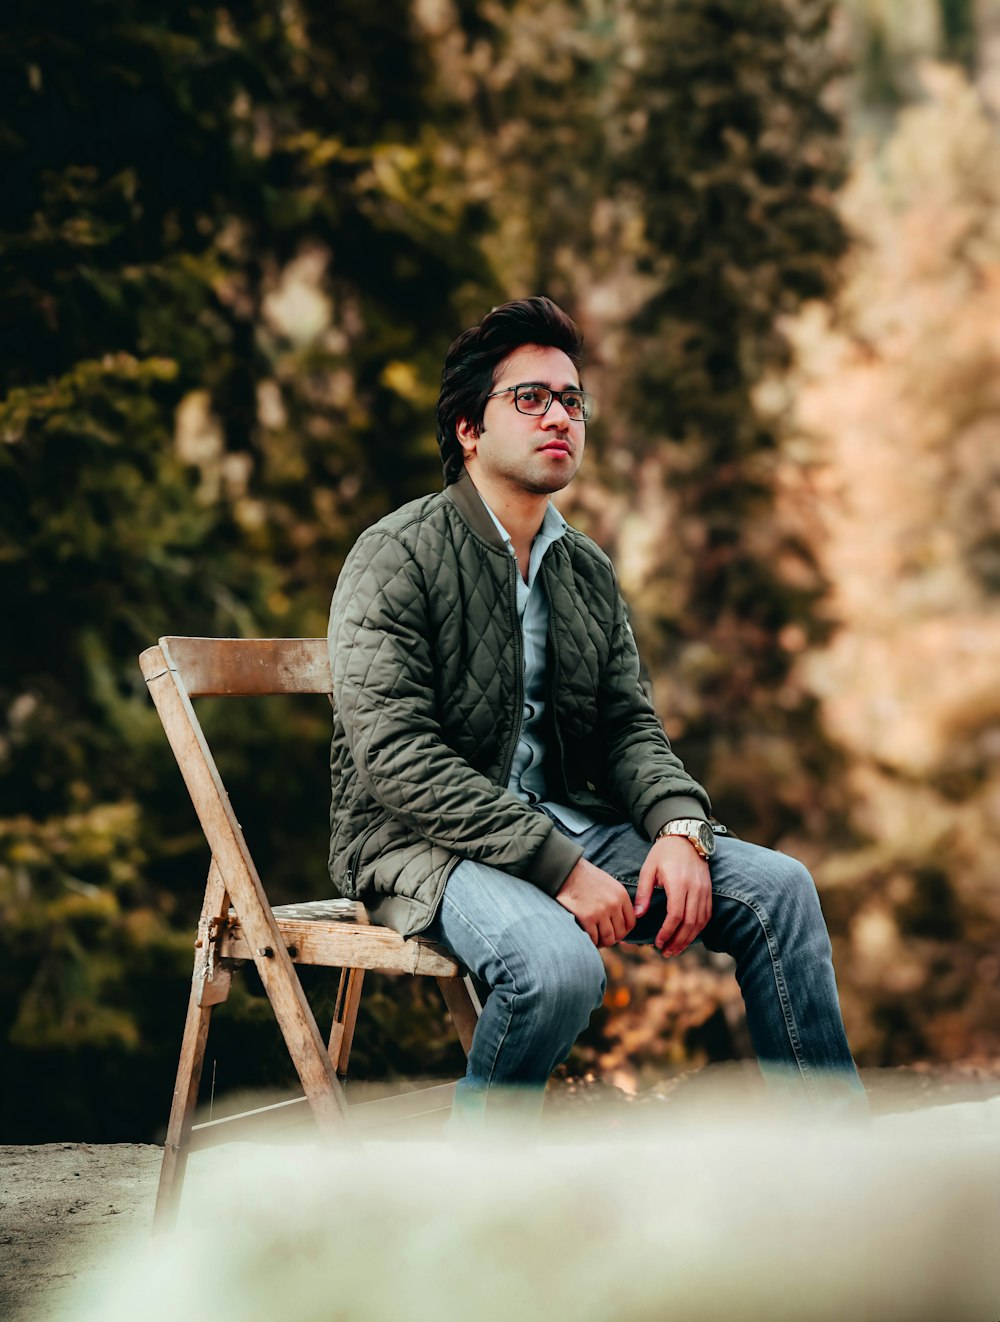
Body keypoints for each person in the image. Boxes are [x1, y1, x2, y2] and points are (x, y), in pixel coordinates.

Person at [328, 295, 863, 1122]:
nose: (559, 417)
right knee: (557, 968)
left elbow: (626, 728)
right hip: (421, 841)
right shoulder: (395, 555)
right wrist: (560, 869)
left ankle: (838, 1170)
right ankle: (473, 1197)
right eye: (530, 398)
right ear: (469, 429)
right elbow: (398, 757)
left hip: (567, 827)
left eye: (571, 400)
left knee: (778, 890)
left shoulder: (583, 570)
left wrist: (680, 830)